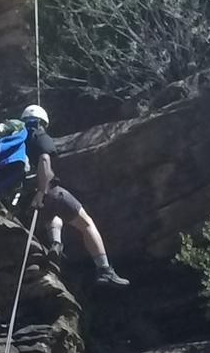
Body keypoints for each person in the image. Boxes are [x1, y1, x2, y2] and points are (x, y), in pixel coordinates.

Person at [21, 104, 129, 287]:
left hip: (27, 199)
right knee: (86, 224)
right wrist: (42, 190)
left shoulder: (20, 139)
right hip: (49, 193)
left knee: (54, 213)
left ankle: (56, 243)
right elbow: (44, 160)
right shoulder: (39, 135)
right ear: (42, 122)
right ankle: (105, 270)